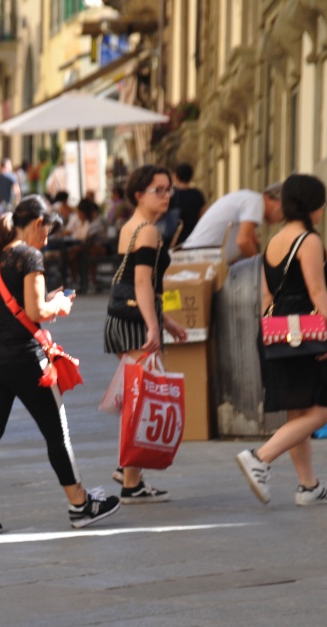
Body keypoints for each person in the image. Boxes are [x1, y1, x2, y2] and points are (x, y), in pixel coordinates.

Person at [0, 199, 121, 534]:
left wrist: (43, 301)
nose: (47, 239)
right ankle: (80, 504)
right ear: (37, 222)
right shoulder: (29, 256)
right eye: (47, 230)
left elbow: (5, 307)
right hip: (25, 360)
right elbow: (36, 312)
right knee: (56, 432)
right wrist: (58, 304)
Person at [236, 174, 327, 506]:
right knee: (320, 412)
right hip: (305, 331)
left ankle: (308, 486)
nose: (323, 210)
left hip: (277, 329)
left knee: (298, 413)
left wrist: (273, 333)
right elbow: (317, 290)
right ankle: (260, 457)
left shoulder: (274, 241)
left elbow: (267, 296)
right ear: (312, 205)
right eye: (323, 203)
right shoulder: (308, 240)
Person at [103, 165, 188, 502]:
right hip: (135, 321)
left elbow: (138, 282)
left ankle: (129, 474)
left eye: (169, 190)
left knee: (137, 397)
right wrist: (154, 325)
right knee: (142, 399)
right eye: (158, 190)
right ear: (139, 194)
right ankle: (129, 480)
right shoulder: (148, 230)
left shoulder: (132, 226)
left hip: (124, 318)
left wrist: (165, 322)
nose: (166, 196)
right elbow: (141, 283)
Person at [181, 182, 284, 262]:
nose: (280, 221)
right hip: (198, 260)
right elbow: (243, 241)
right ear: (279, 204)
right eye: (284, 217)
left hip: (195, 258)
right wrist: (260, 267)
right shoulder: (256, 202)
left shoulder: (250, 199)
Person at [168, 163, 206, 247]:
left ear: (176, 176)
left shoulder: (171, 194)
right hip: (193, 236)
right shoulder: (197, 194)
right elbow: (203, 215)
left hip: (174, 237)